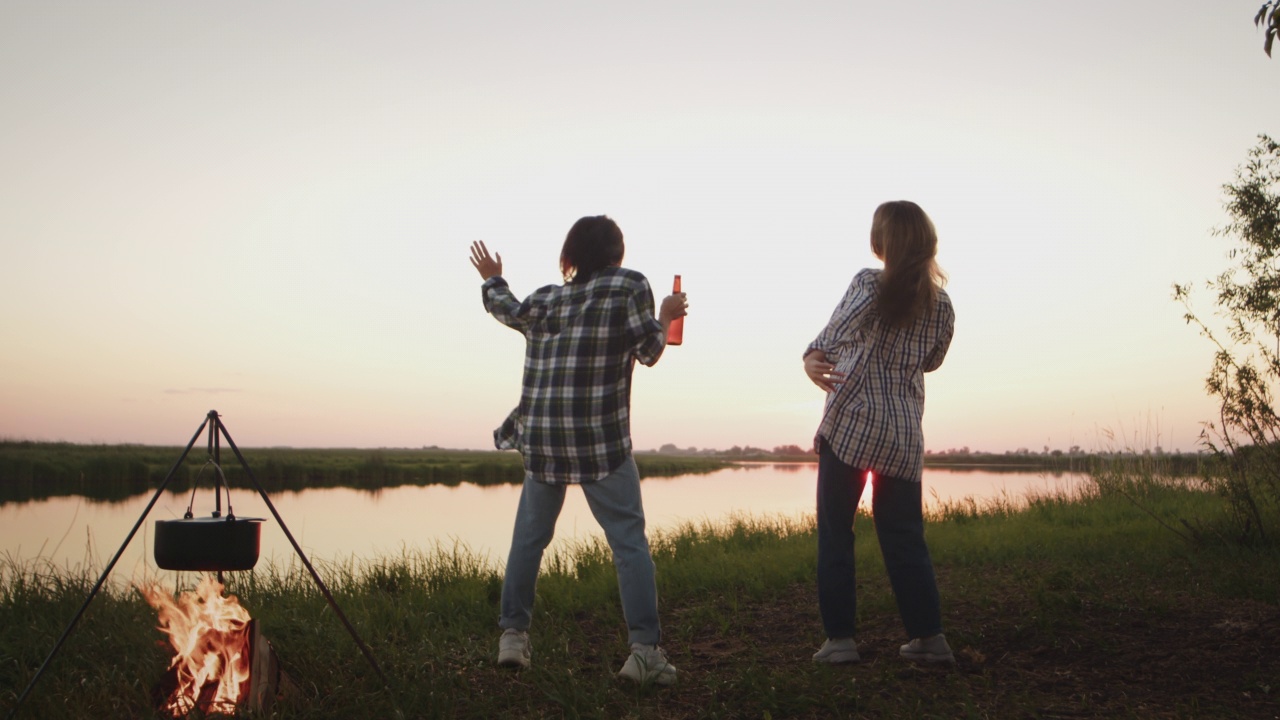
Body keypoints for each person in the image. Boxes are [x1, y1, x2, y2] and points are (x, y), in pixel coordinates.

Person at [468, 215, 688, 685]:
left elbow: (506, 307)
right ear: (617, 254)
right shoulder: (629, 286)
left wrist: (491, 277)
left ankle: (513, 636)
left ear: (570, 256)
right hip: (600, 440)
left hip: (544, 438)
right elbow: (650, 349)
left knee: (529, 539)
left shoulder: (548, 298)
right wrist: (667, 314)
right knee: (628, 542)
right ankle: (644, 651)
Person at [802, 200, 956, 665]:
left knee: (835, 532)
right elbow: (933, 360)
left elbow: (833, 335)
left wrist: (811, 355)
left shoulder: (869, 283)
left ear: (880, 244)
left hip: (851, 425)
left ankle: (841, 641)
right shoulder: (942, 304)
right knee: (905, 536)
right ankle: (929, 639)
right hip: (903, 433)